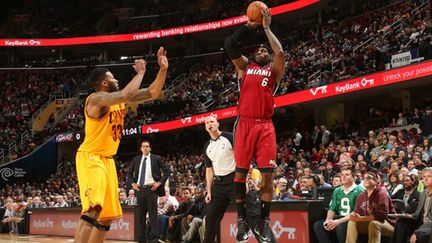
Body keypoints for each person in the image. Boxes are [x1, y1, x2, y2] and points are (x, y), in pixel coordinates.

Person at [74, 47, 168, 243]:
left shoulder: (119, 100)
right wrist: (140, 72)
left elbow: (153, 92)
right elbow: (126, 94)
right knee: (92, 210)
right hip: (91, 157)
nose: (117, 79)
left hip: (108, 161)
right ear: (104, 83)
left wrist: (162, 70)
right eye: (113, 77)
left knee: (106, 217)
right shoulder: (96, 99)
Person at [224, 8, 284, 243]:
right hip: (245, 124)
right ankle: (241, 220)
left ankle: (264, 221)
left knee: (267, 178)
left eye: (263, 49)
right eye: (257, 48)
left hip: (265, 126)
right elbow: (230, 44)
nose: (261, 50)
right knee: (239, 175)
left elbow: (279, 51)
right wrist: (248, 26)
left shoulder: (274, 71)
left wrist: (267, 27)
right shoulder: (245, 67)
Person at [127, 140, 171, 243]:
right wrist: (133, 184)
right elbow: (129, 173)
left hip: (152, 190)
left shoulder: (156, 158)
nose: (145, 148)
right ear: (141, 148)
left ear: (150, 148)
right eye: (143, 146)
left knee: (153, 215)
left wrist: (159, 183)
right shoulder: (136, 159)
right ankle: (140, 239)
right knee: (140, 216)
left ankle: (154, 239)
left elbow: (167, 171)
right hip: (139, 190)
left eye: (147, 146)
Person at [202, 116, 236, 243]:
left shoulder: (230, 137)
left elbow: (241, 158)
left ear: (217, 124)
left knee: (250, 215)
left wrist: (244, 179)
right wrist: (209, 191)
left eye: (211, 121)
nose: (209, 124)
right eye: (207, 123)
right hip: (218, 185)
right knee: (210, 217)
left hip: (234, 180)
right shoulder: (207, 146)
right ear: (205, 127)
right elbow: (209, 170)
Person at [313, 167, 364, 243]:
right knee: (318, 225)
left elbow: (357, 212)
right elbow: (332, 208)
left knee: (341, 226)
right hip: (339, 219)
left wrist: (338, 222)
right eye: (342, 175)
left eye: (347, 174)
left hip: (352, 220)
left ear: (353, 177)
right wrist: (328, 220)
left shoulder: (360, 190)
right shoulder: (337, 190)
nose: (343, 176)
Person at [346, 171, 396, 243]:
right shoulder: (361, 196)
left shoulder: (382, 194)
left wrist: (362, 218)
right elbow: (357, 212)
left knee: (374, 223)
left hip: (387, 224)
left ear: (375, 181)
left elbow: (382, 216)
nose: (366, 180)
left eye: (369, 178)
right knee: (352, 222)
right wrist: (355, 216)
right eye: (364, 178)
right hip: (368, 222)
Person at [392, 167, 432, 243]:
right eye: (424, 177)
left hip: (429, 225)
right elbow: (417, 213)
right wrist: (409, 216)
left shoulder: (418, 193)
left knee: (419, 235)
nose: (425, 179)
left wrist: (416, 232)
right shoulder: (423, 193)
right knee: (401, 222)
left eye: (429, 176)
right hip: (421, 222)